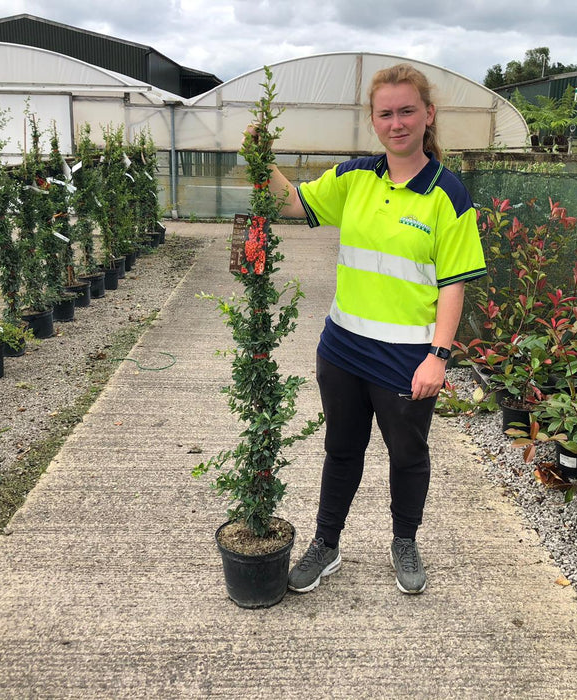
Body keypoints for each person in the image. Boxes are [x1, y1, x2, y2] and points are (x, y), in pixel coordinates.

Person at [249, 63, 486, 595]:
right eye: (385, 114)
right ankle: (326, 543)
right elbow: (292, 202)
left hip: (407, 357)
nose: (396, 123)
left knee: (408, 455)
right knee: (341, 449)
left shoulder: (448, 195)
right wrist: (260, 160)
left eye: (407, 111)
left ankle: (405, 541)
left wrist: (438, 357)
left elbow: (453, 284)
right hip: (343, 348)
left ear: (428, 115)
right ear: (373, 120)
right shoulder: (355, 177)